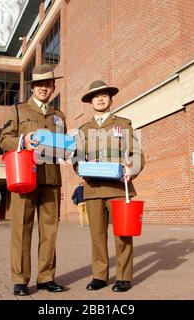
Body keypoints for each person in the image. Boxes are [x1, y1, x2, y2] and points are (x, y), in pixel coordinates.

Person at [0, 63, 66, 296]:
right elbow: (4, 140)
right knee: (21, 229)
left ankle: (46, 278)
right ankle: (20, 279)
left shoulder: (59, 116)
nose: (43, 88)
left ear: (53, 86)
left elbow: (62, 147)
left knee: (49, 232)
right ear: (32, 88)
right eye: (39, 84)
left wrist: (69, 149)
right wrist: (23, 141)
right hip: (25, 177)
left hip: (51, 179)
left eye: (47, 84)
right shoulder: (18, 111)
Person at [75, 80, 145, 292]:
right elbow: (76, 158)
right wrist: (82, 169)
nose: (100, 99)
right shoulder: (83, 130)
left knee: (123, 234)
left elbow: (137, 153)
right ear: (90, 102)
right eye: (96, 96)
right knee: (97, 236)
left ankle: (123, 276)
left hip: (118, 189)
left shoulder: (123, 124)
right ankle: (99, 275)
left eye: (104, 95)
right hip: (94, 190)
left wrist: (130, 170)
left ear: (110, 99)